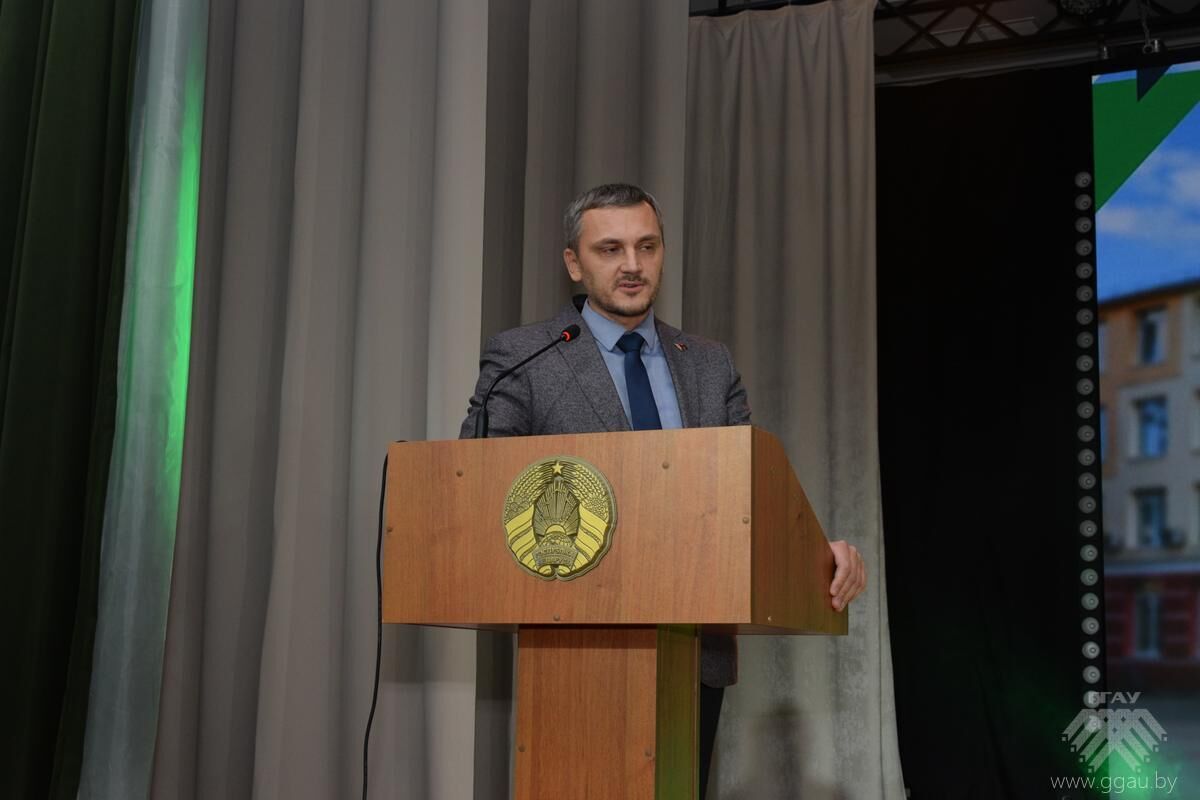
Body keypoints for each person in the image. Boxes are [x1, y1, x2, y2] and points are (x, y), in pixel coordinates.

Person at [459, 183, 866, 798]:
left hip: (693, 652)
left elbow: (749, 495)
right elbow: (479, 487)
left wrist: (816, 552)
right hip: (577, 652)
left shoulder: (708, 362)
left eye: (647, 246)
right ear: (574, 262)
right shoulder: (525, 356)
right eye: (611, 249)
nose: (632, 264)